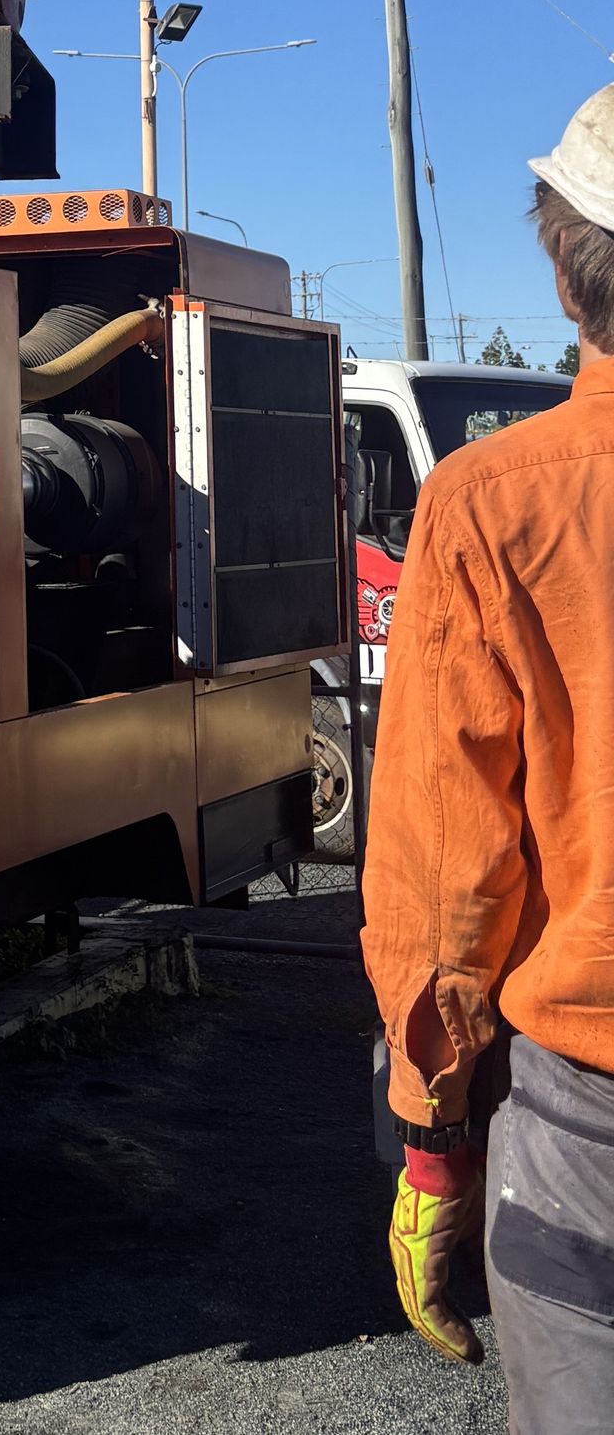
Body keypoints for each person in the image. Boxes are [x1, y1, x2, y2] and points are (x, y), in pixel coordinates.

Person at [364, 82, 614, 1428]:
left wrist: (433, 1142)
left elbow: (453, 873)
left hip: (592, 1124)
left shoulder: (493, 505)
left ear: (566, 277)